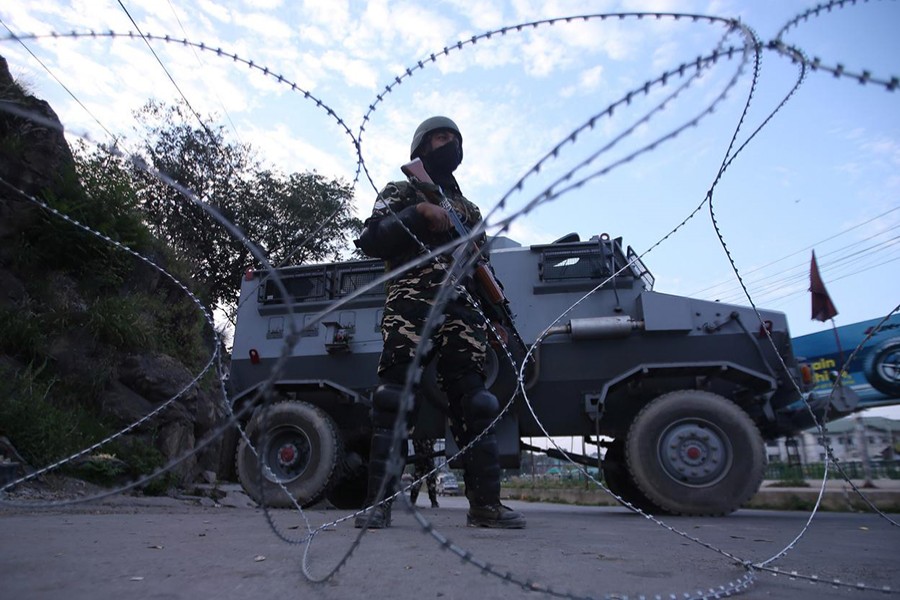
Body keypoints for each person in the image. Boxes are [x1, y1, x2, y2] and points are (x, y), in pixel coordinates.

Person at [353, 116, 526, 529]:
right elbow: (372, 237)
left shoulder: (470, 210)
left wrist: (495, 314)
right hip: (413, 299)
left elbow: (481, 265)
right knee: (395, 395)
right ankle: (379, 503)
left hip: (462, 308)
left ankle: (486, 505)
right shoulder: (402, 189)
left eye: (454, 139)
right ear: (421, 147)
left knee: (476, 400)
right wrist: (419, 212)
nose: (449, 144)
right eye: (440, 138)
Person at [409, 438, 439, 508]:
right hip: (421, 460)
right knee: (418, 482)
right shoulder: (420, 436)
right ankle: (413, 501)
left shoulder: (425, 435)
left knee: (430, 482)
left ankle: (433, 501)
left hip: (425, 460)